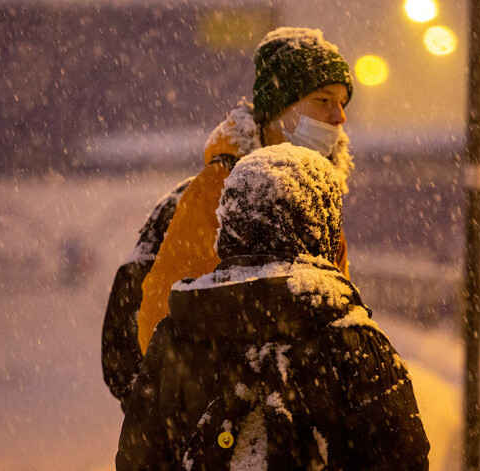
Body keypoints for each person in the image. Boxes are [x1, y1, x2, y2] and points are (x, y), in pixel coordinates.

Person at [116, 143, 430, 470]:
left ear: (230, 226)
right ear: (321, 228)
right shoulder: (357, 343)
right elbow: (404, 458)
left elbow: (139, 459)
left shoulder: (178, 335)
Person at [102, 26, 356, 409]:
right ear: (279, 108)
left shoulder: (319, 195)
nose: (339, 116)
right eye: (323, 99)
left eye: (342, 103)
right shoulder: (220, 187)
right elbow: (163, 313)